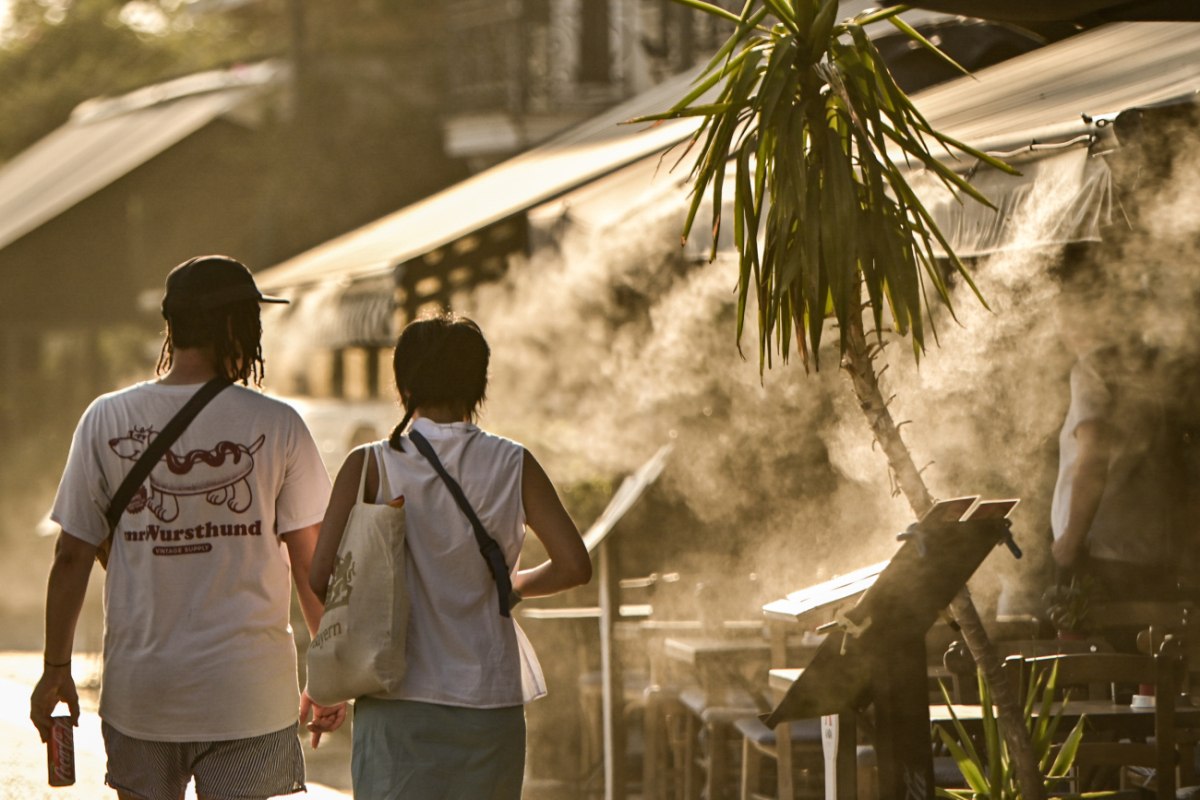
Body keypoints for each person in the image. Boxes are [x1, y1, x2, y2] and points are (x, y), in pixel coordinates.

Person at [30, 255, 347, 800]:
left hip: (143, 696)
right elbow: (309, 561)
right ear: (234, 326)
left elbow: (70, 557)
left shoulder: (106, 419)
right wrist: (331, 671)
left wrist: (55, 668)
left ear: (172, 327)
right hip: (250, 698)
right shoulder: (278, 425)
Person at [310, 312, 592, 799]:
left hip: (395, 700)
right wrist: (513, 585)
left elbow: (320, 576)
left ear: (404, 383)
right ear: (478, 383)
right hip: (489, 701)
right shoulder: (513, 462)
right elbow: (574, 566)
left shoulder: (370, 466)